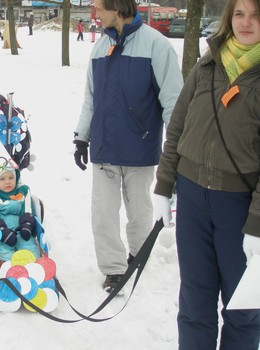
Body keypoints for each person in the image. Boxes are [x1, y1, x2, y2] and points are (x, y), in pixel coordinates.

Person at [153, 0, 260, 348]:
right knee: (195, 303)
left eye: (257, 14)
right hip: (193, 199)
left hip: (240, 207)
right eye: (240, 13)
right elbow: (179, 126)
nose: (246, 23)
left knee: (243, 310)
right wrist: (163, 185)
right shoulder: (208, 64)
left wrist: (257, 226)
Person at [73, 0, 183, 293]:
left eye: (99, 7)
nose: (95, 13)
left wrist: (178, 147)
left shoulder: (157, 46)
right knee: (103, 213)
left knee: (139, 210)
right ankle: (113, 269)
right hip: (105, 147)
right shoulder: (99, 49)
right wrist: (81, 136)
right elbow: (90, 98)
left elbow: (173, 101)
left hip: (140, 146)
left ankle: (138, 253)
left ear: (117, 6)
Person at [0, 158, 40, 262]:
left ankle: (33, 269)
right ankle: (9, 271)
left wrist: (27, 225)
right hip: (2, 231)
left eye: (11, 177)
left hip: (20, 227)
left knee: (30, 248)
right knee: (5, 252)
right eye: (2, 179)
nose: (7, 182)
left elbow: (27, 210)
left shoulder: (22, 191)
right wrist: (2, 231)